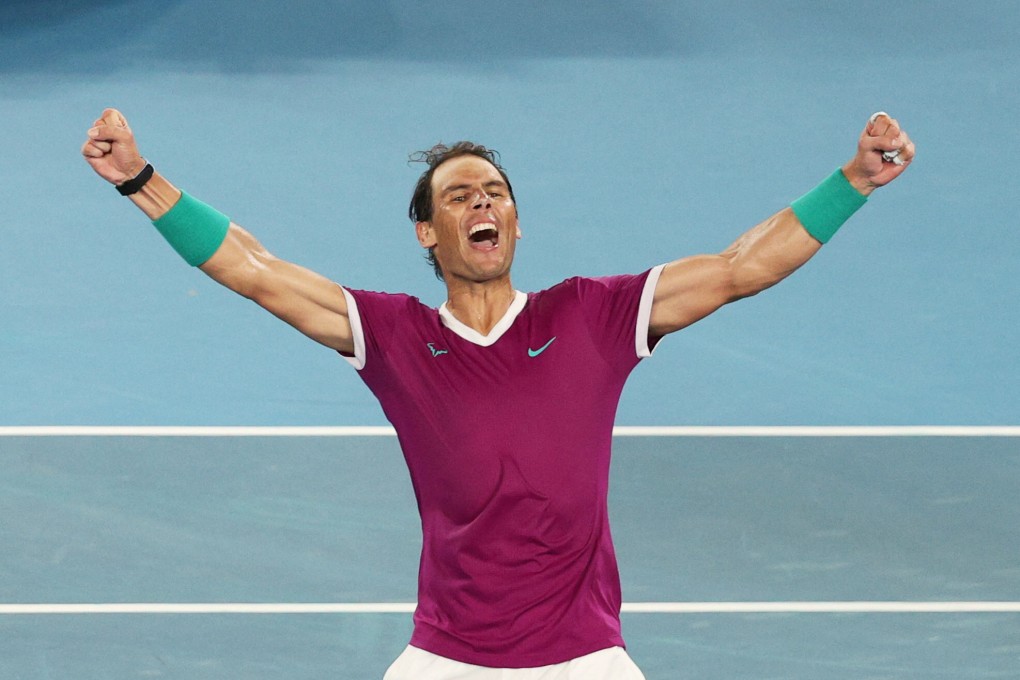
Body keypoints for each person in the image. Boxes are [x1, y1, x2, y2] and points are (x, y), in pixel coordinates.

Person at [82, 108, 914, 679]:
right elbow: (254, 270)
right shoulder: (397, 337)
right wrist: (139, 180)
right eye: (458, 196)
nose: (483, 202)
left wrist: (853, 180)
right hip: (447, 656)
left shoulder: (593, 316)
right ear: (428, 232)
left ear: (515, 223)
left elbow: (740, 268)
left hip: (584, 655)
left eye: (496, 193)